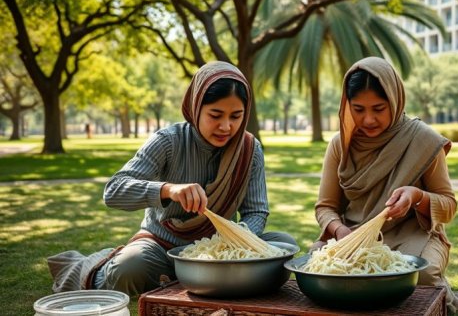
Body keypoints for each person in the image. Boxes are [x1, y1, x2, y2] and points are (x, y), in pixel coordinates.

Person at [47, 61, 296, 296]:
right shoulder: (168, 141)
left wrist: (232, 242)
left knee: (283, 244)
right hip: (162, 248)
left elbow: (256, 212)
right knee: (130, 267)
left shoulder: (249, 150)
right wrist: (168, 190)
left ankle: (188, 278)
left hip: (222, 249)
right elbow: (113, 191)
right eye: (215, 115)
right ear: (196, 106)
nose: (226, 127)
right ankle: (91, 268)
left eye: (235, 116)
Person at [312, 57, 458, 312]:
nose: (369, 119)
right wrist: (340, 231)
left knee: (423, 274)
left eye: (379, 108)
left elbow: (448, 205)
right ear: (346, 104)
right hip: (353, 237)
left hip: (414, 236)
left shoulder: (424, 140)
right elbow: (325, 207)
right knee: (315, 265)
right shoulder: (340, 145)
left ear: (395, 100)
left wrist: (416, 196)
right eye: (358, 109)